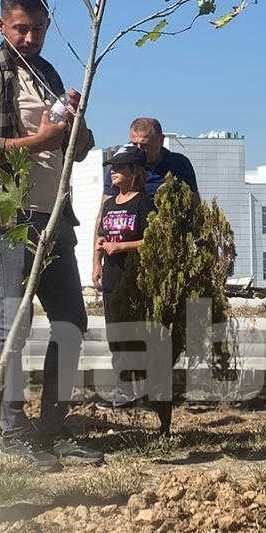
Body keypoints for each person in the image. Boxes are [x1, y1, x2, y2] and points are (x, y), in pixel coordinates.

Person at [0, 0, 98, 472]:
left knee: (71, 323)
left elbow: (77, 147)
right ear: (2, 25)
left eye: (38, 29)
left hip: (54, 217)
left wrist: (74, 126)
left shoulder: (48, 74)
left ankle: (54, 428)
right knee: (14, 324)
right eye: (22, 29)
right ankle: (10, 430)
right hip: (7, 217)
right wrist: (38, 142)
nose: (31, 39)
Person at [94, 145, 169, 433]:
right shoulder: (110, 202)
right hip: (112, 277)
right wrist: (97, 262)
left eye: (120, 168)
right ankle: (123, 388)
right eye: (112, 167)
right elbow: (101, 234)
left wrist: (122, 246)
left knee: (135, 333)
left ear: (135, 172)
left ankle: (145, 390)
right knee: (115, 334)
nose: (113, 172)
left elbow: (153, 238)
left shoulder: (143, 203)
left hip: (135, 277)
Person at [105, 118, 197, 198]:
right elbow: (106, 205)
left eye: (144, 145)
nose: (139, 149)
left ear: (161, 140)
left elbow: (194, 202)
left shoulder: (179, 164)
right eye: (134, 144)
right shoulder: (119, 167)